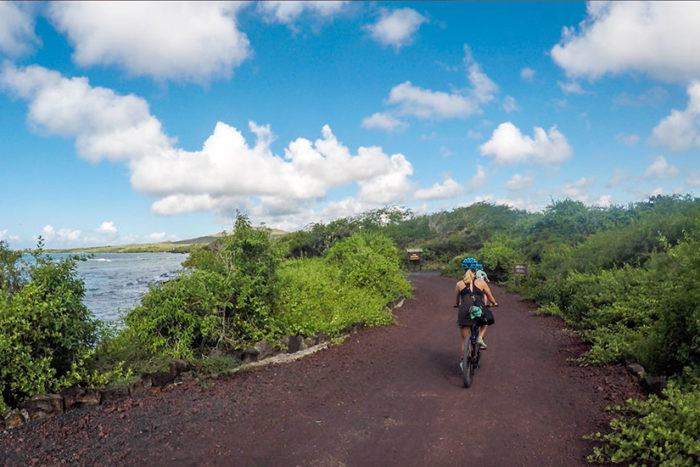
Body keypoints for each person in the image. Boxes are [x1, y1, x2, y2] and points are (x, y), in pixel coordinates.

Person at [455, 268, 497, 362]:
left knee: (464, 339)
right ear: (476, 271)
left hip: (464, 312)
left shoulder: (459, 284)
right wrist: (494, 303)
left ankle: (464, 359)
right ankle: (480, 337)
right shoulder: (481, 283)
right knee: (486, 319)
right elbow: (490, 296)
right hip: (478, 311)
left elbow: (457, 301)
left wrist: (458, 305)